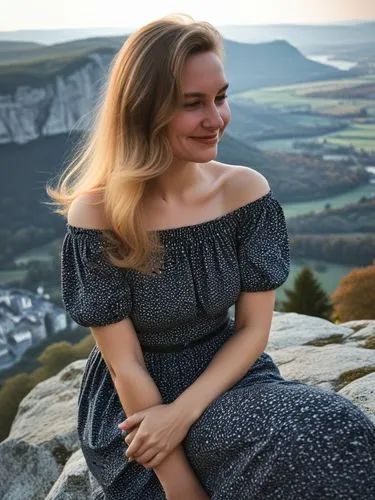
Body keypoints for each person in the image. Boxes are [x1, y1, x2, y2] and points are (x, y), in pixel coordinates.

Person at [48, 13, 375, 500]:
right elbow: (125, 364)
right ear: (143, 110)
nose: (216, 119)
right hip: (136, 412)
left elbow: (251, 331)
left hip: (232, 376)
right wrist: (181, 488)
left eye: (221, 97)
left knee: (340, 426)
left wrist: (181, 413)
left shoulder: (246, 192)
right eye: (192, 104)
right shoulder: (98, 214)